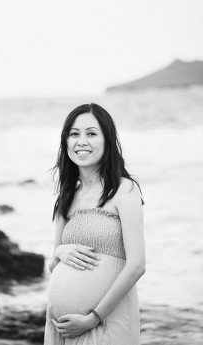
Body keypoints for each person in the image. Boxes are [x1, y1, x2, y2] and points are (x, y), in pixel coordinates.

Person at [44, 103, 145, 344]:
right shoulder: (66, 197)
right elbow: (53, 265)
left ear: (107, 141)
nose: (81, 141)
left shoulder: (124, 190)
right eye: (74, 134)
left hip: (107, 321)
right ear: (65, 141)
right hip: (63, 328)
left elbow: (137, 265)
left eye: (91, 133)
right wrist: (60, 250)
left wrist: (93, 318)